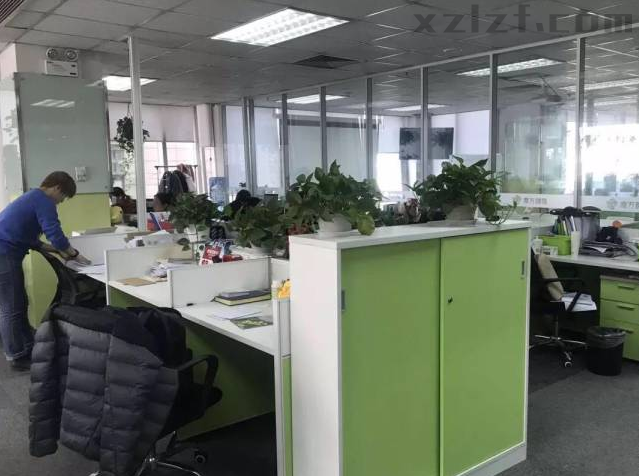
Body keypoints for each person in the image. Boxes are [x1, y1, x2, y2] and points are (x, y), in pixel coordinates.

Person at [0, 171, 90, 371]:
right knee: (11, 307)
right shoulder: (44, 200)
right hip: (4, 253)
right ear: (57, 188)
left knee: (19, 303)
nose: (60, 202)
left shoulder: (32, 197)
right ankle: (16, 355)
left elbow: (31, 240)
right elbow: (54, 233)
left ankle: (26, 347)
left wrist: (58, 251)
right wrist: (74, 254)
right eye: (63, 197)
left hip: (6, 251)